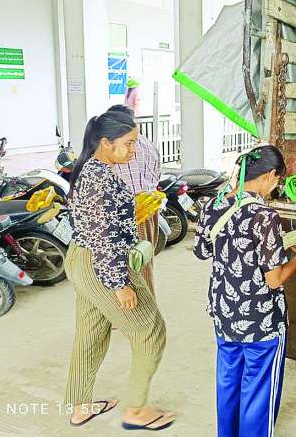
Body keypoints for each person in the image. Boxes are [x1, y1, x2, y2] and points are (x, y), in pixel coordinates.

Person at [64, 111, 174, 431]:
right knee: (150, 331)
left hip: (84, 258)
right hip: (101, 264)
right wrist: (119, 284)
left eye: (135, 143)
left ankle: (80, 406)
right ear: (105, 143)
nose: (134, 150)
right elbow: (104, 238)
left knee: (91, 334)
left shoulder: (91, 169)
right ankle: (135, 410)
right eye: (128, 143)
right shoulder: (99, 179)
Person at [193, 146, 296, 437]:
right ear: (270, 175)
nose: (275, 187)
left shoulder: (214, 204)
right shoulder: (263, 215)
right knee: (258, 390)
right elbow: (274, 280)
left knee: (229, 381)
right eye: (277, 181)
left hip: (224, 312)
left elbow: (201, 250)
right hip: (260, 320)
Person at [107, 104, 162, 295]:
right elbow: (157, 175)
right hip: (150, 208)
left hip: (131, 212)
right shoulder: (147, 144)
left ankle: (142, 306)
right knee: (144, 259)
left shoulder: (118, 147)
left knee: (132, 264)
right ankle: (148, 300)